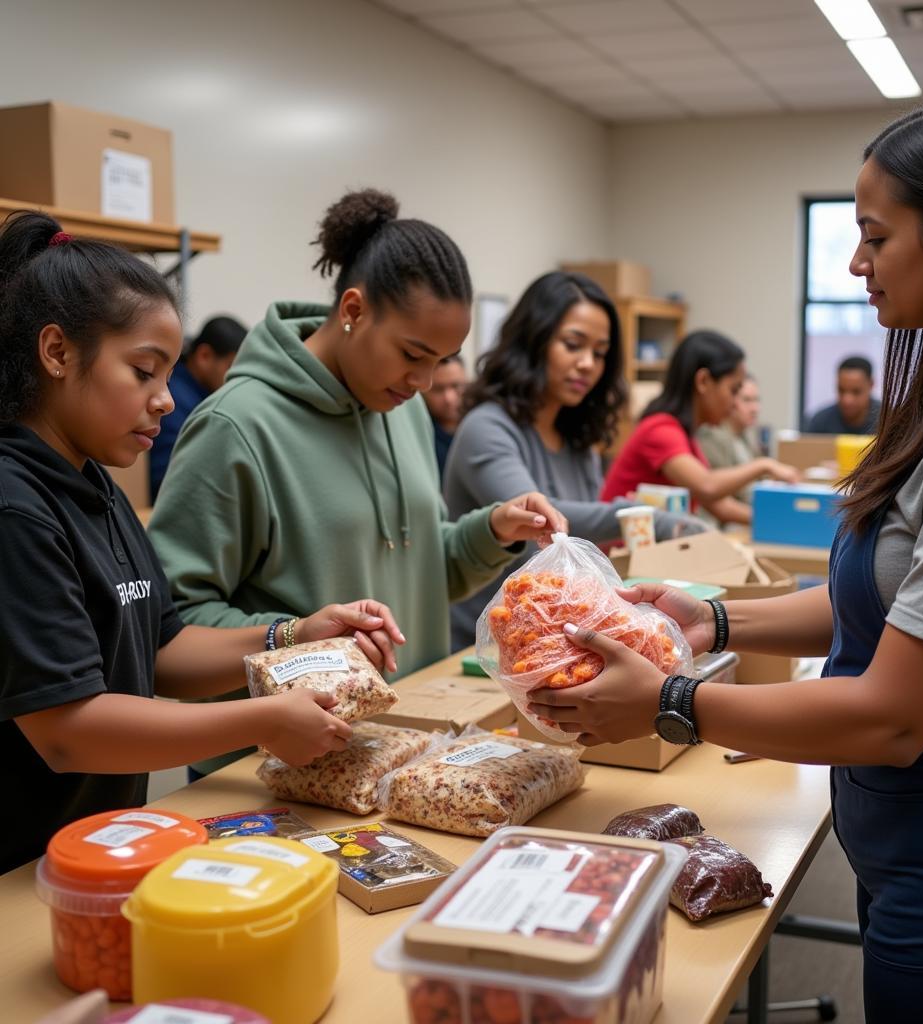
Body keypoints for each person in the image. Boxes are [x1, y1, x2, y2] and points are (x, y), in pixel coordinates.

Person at [529, 96, 923, 1023]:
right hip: (904, 839)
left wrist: (672, 703)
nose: (855, 263)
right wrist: (707, 617)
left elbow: (893, 718)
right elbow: (878, 606)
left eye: (875, 236)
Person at [0, 211, 402, 873]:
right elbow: (68, 731)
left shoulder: (97, 487)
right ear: (56, 352)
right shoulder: (16, 507)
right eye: (143, 372)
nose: (164, 400)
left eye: (168, 376)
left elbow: (164, 649)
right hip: (21, 865)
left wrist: (294, 635)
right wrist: (262, 720)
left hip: (99, 848)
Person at [148, 189, 565, 779]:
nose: (422, 381)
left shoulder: (403, 408)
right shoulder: (236, 426)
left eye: (441, 360)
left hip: (402, 753)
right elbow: (174, 627)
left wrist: (492, 530)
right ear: (353, 308)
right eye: (412, 354)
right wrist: (297, 635)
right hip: (270, 771)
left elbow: (419, 569)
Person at [444, 271, 704, 649]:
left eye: (599, 354)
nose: (587, 364)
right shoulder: (485, 428)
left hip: (553, 636)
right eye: (573, 345)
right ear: (534, 341)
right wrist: (644, 516)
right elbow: (544, 519)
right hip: (485, 645)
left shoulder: (577, 437)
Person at [601, 331, 799, 525]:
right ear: (703, 381)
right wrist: (764, 465)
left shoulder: (686, 436)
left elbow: (720, 507)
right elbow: (707, 486)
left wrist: (783, 523)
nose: (736, 404)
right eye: (733, 390)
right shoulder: (660, 430)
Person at [148, 314, 246, 498]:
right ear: (204, 356)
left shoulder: (197, 396)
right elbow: (166, 479)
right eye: (232, 366)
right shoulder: (176, 401)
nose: (237, 376)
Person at [696, 373, 762, 503]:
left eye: (757, 400)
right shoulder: (713, 435)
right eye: (747, 400)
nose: (755, 409)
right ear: (730, 400)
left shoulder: (745, 436)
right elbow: (720, 498)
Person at [804, 355, 880, 435]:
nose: (847, 400)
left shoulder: (887, 420)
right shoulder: (820, 422)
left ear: (871, 384)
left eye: (856, 392)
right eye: (841, 390)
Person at [423, 352, 466, 477]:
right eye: (438, 389)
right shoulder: (420, 433)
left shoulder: (480, 428)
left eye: (456, 386)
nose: (449, 398)